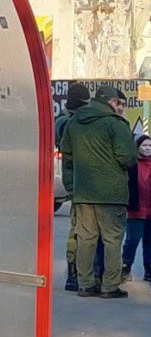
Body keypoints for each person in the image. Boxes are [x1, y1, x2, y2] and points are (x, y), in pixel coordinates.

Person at [61, 85, 138, 299]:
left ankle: (85, 284)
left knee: (85, 240)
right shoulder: (115, 124)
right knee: (112, 240)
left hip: (83, 193)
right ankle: (109, 286)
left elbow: (67, 157)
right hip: (111, 194)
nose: (121, 107)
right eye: (119, 103)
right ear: (111, 102)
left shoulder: (74, 122)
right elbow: (128, 158)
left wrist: (71, 187)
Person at [55, 83, 91, 292]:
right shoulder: (67, 121)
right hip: (79, 181)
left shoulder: (65, 119)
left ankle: (78, 272)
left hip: (80, 181)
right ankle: (74, 273)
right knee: (78, 232)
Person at [122, 135, 151, 283]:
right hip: (136, 210)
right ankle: (126, 266)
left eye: (149, 145)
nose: (147, 148)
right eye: (144, 145)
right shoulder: (133, 165)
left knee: (150, 241)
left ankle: (149, 268)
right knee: (132, 240)